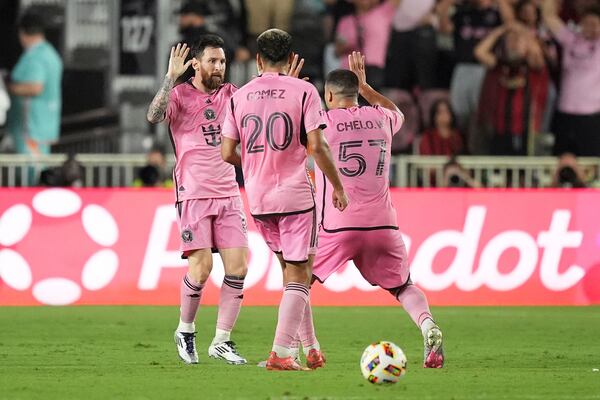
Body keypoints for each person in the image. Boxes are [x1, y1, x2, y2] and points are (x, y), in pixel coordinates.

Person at [221, 29, 348, 371]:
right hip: (294, 194)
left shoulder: (239, 96)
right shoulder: (305, 90)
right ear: (291, 59)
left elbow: (226, 151)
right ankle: (281, 353)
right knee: (300, 273)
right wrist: (337, 186)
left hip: (259, 199)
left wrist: (255, 163)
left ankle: (311, 347)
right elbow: (317, 146)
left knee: (293, 271)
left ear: (258, 59)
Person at [307, 52, 444, 368]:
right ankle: (428, 326)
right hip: (384, 224)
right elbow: (397, 111)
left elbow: (298, 141)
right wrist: (367, 88)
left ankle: (301, 349)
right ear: (356, 93)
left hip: (339, 225)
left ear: (329, 95)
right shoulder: (381, 118)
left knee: (298, 283)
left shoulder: (322, 122)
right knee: (403, 286)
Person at [146, 35, 249, 365]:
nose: (219, 67)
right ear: (196, 64)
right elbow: (153, 115)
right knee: (201, 269)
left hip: (229, 192)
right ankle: (186, 330)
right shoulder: (179, 94)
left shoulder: (232, 94)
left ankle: (222, 340)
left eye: (222, 61)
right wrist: (168, 78)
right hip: (193, 193)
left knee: (238, 267)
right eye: (213, 61)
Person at [475, 23, 548, 155]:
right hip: (498, 130)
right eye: (510, 39)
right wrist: (500, 31)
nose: (514, 42)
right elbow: (479, 52)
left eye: (518, 40)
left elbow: (537, 54)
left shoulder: (532, 68)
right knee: (498, 172)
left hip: (525, 130)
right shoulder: (498, 64)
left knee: (522, 172)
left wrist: (524, 32)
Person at [542, 1, 600, 156]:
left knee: (591, 164)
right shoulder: (571, 39)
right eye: (587, 23)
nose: (591, 27)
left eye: (595, 24)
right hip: (565, 112)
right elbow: (548, 16)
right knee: (561, 160)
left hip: (591, 115)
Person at [6, 10, 62, 156]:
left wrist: (7, 88)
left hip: (31, 131)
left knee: (33, 176)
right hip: (42, 128)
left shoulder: (36, 56)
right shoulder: (51, 53)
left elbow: (35, 87)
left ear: (22, 33)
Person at [335, 0, 401, 90]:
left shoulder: (383, 13)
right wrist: (352, 43)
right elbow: (338, 51)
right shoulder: (346, 21)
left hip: (374, 70)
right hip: (350, 72)